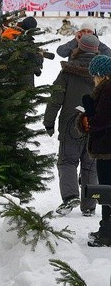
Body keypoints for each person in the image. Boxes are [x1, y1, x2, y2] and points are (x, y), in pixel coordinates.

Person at [44, 34, 99, 217]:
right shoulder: (103, 73)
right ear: (96, 50)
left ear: (79, 48)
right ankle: (89, 205)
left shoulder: (68, 71)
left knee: (67, 161)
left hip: (70, 124)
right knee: (90, 165)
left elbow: (55, 99)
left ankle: (70, 197)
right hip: (95, 125)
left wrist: (49, 122)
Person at [80, 55, 111, 247]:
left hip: (107, 149)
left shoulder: (107, 90)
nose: (93, 79)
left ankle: (107, 232)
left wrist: (89, 113)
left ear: (100, 74)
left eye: (94, 75)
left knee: (107, 190)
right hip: (106, 147)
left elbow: (102, 120)